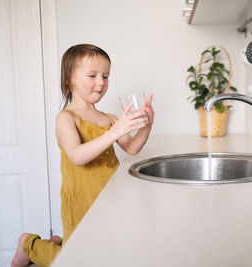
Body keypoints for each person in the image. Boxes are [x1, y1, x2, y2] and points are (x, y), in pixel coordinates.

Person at [11, 44, 154, 267]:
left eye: (105, 76)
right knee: (78, 258)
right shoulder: (66, 118)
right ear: (69, 78)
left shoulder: (109, 117)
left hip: (109, 197)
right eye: (92, 75)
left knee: (105, 248)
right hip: (80, 199)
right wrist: (115, 131)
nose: (101, 82)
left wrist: (146, 126)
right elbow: (77, 156)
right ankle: (29, 245)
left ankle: (58, 242)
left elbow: (132, 148)